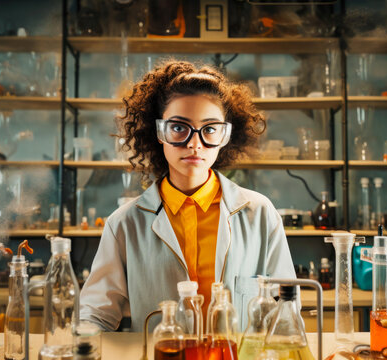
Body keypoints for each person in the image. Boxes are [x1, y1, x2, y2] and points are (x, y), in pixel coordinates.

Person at [80, 60, 296, 332]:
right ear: (159, 132)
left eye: (210, 129)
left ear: (225, 134)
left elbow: (286, 312)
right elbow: (95, 318)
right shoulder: (123, 225)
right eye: (179, 128)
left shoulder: (260, 214)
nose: (195, 143)